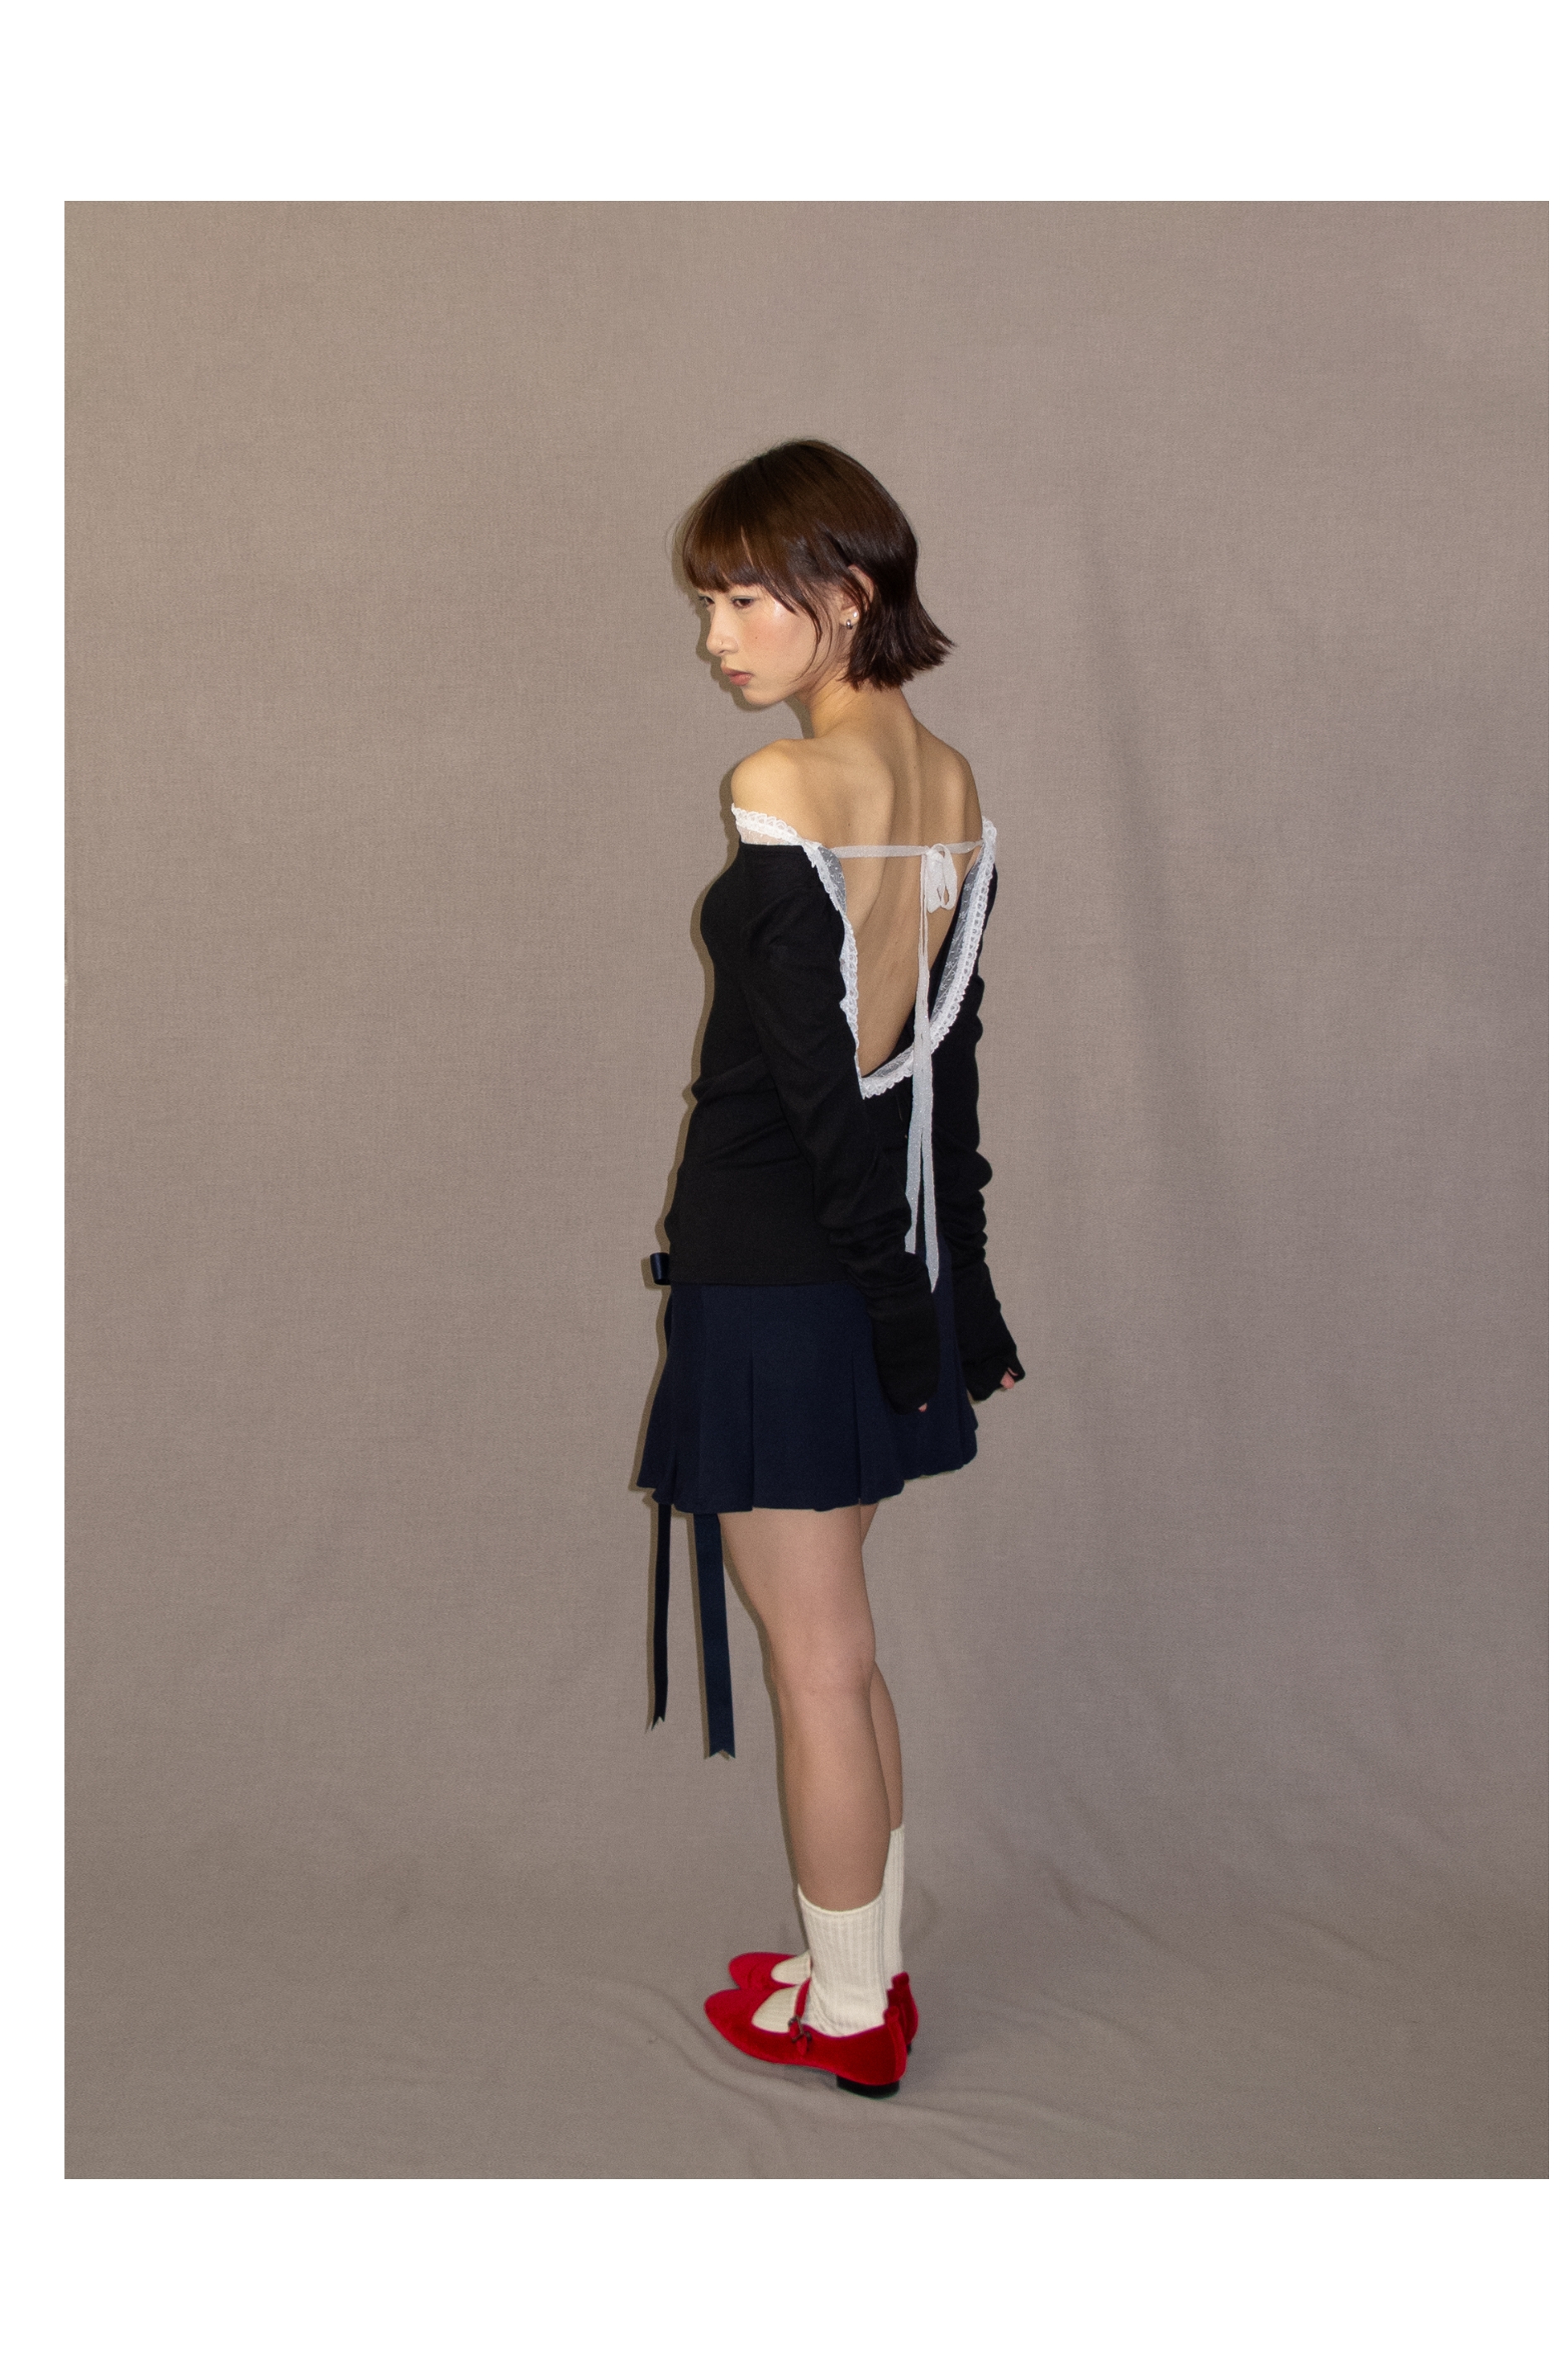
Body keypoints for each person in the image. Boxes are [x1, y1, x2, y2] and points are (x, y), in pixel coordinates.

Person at [637, 439, 1024, 2098]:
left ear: (846, 595)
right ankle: (858, 1962)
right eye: (710, 602)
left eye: (745, 598)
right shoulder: (953, 786)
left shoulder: (786, 787)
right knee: (839, 1644)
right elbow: (944, 1078)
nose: (718, 635)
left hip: (788, 1276)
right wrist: (948, 1294)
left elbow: (815, 1092)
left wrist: (887, 1299)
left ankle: (855, 2011)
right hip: (870, 1264)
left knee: (815, 1656)